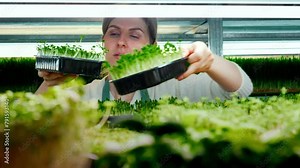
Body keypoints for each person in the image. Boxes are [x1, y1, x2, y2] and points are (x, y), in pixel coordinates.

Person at [36, 18, 253, 103]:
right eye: (113, 33)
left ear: (152, 47)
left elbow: (241, 90)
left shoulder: (175, 87)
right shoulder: (85, 95)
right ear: (102, 42)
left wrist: (211, 62)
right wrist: (50, 83)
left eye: (134, 35)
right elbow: (18, 126)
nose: (121, 42)